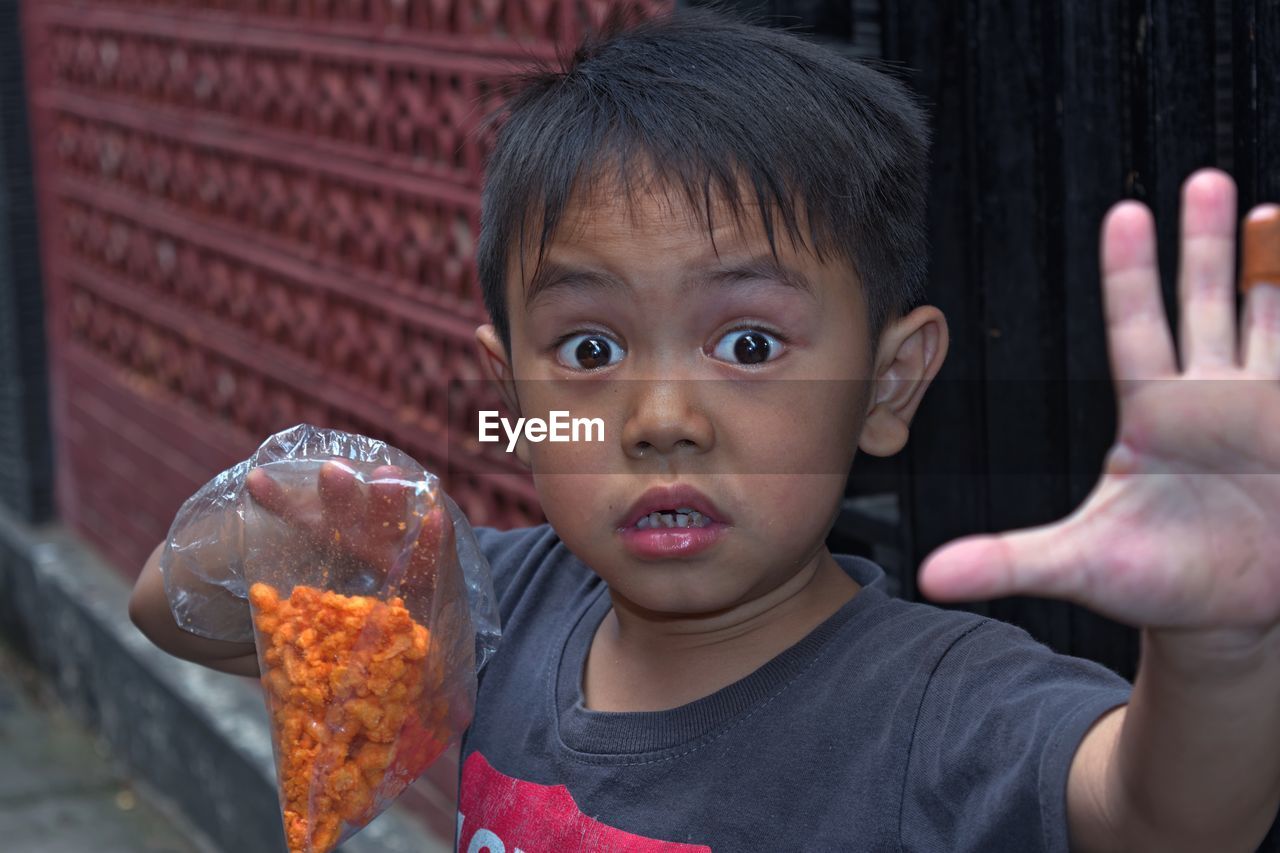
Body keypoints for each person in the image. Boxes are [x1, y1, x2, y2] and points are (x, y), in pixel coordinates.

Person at [129, 8, 1280, 851]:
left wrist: (1219, 647)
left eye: (747, 345)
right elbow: (172, 615)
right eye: (588, 351)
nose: (663, 420)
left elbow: (1170, 815)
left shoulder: (934, 708)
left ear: (888, 384)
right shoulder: (487, 605)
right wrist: (282, 541)